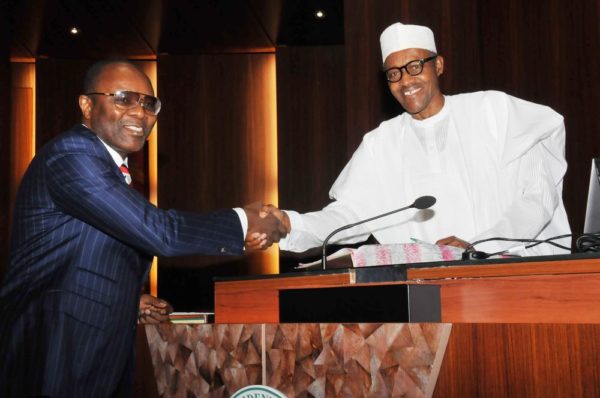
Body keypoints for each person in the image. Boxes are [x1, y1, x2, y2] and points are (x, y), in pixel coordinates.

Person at [0, 59, 286, 397]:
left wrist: (129, 300)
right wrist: (244, 221)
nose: (140, 112)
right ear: (87, 105)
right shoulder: (71, 154)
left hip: (92, 343)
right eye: (123, 98)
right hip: (57, 346)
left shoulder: (108, 166)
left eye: (148, 103)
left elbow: (82, 251)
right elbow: (159, 232)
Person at [266, 22, 571, 257]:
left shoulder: (495, 111)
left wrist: (478, 247)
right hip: (429, 292)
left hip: (513, 275)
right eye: (393, 74)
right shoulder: (380, 143)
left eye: (414, 67)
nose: (405, 81)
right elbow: (349, 216)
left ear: (438, 65)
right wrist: (290, 225)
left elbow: (538, 198)